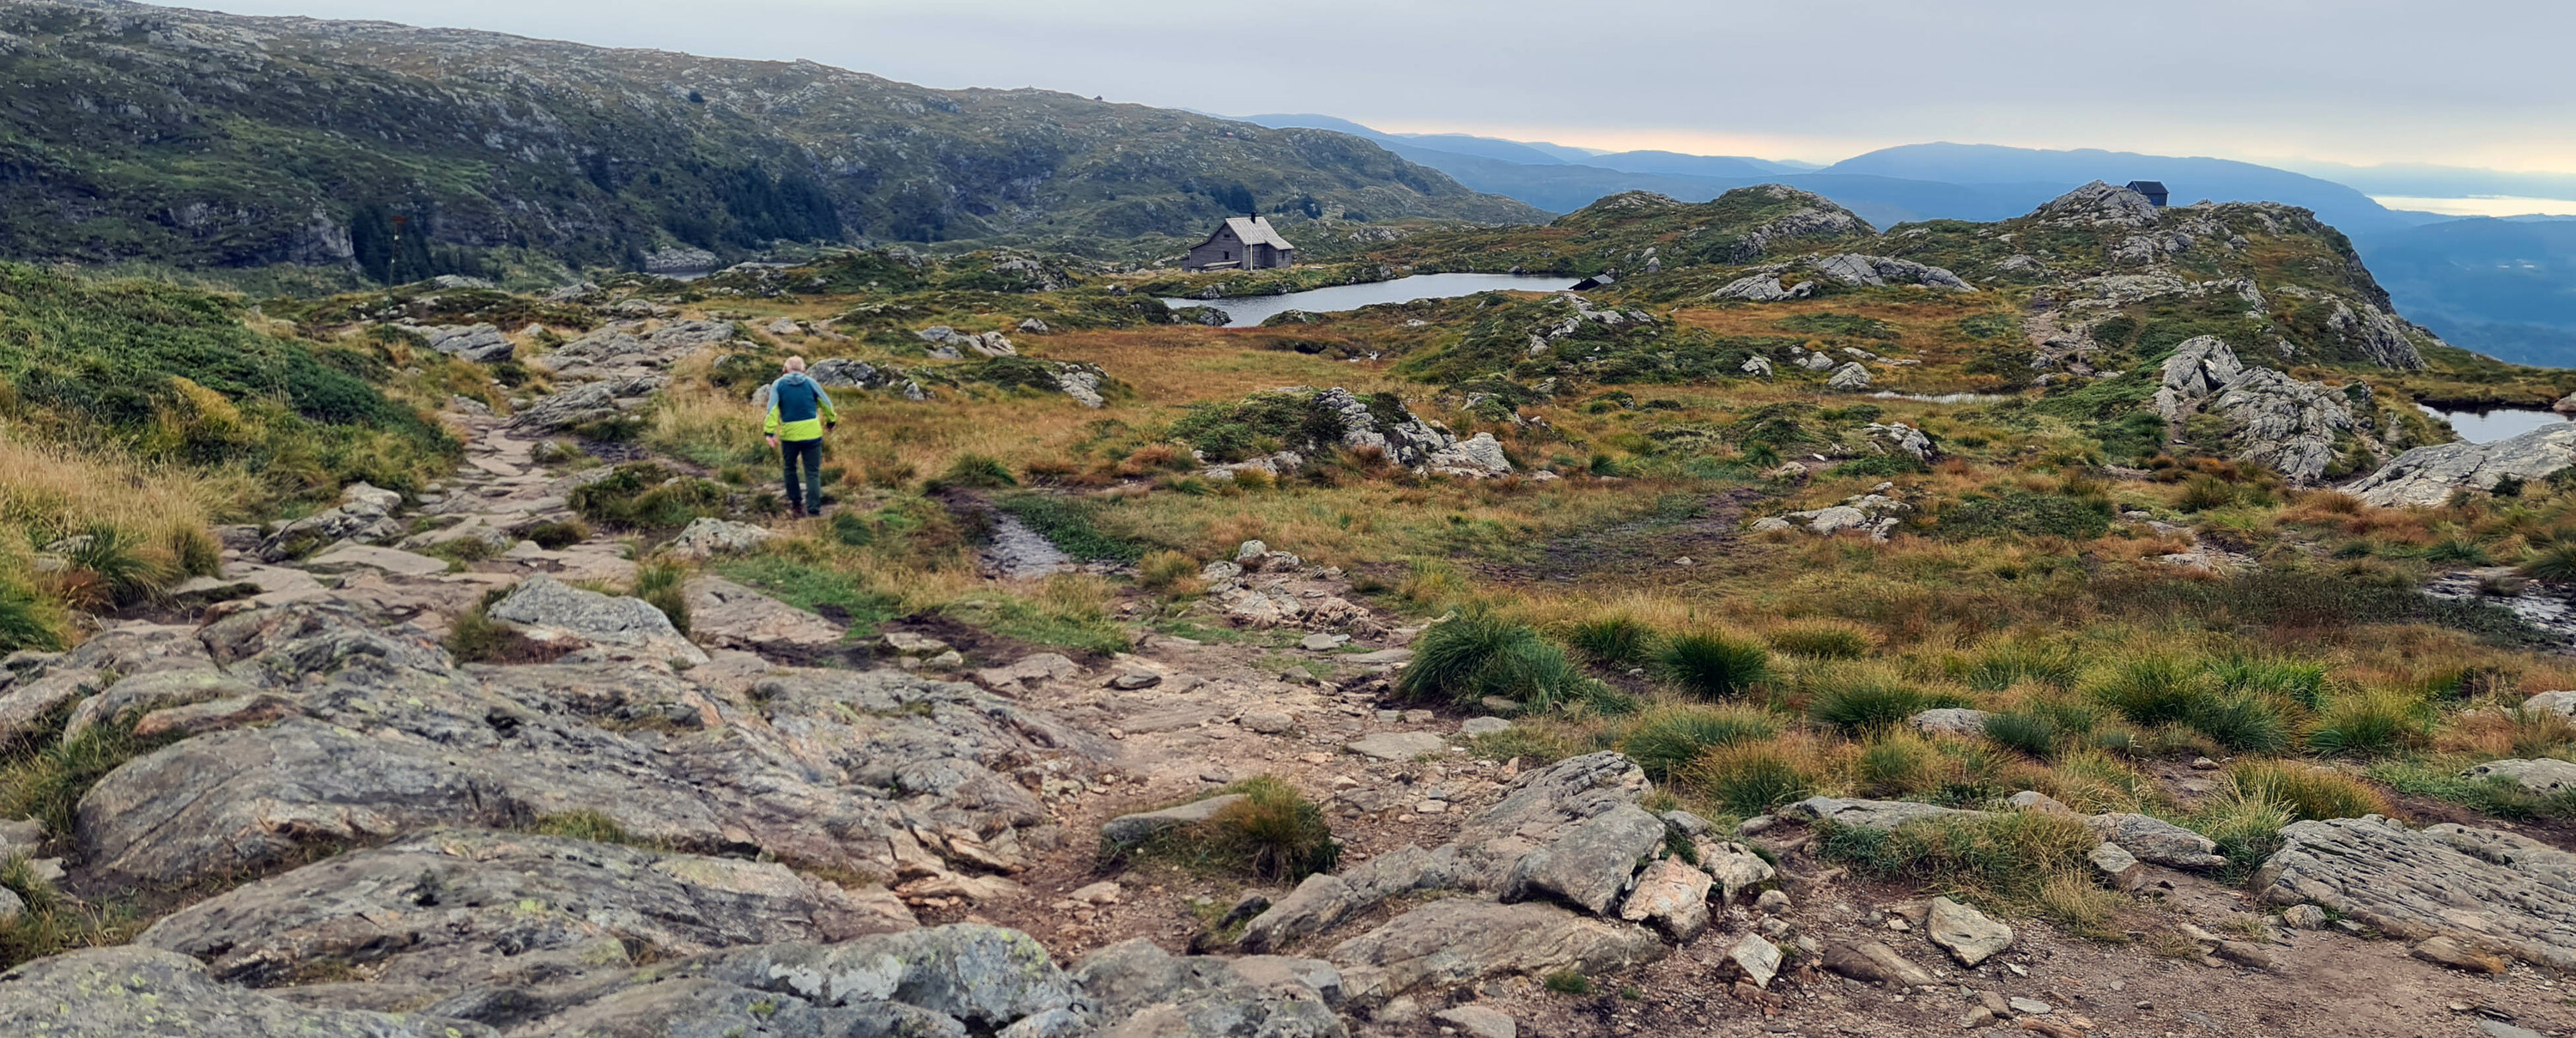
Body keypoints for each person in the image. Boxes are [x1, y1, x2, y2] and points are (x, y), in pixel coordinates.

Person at [762, 356, 839, 518]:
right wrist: (831, 422)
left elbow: (773, 410)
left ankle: (796, 504)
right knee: (812, 472)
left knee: (790, 468)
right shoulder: (811, 383)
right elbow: (827, 404)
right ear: (804, 370)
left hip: (789, 435)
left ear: (785, 369)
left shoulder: (778, 385)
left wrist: (769, 432)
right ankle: (814, 509)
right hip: (812, 434)